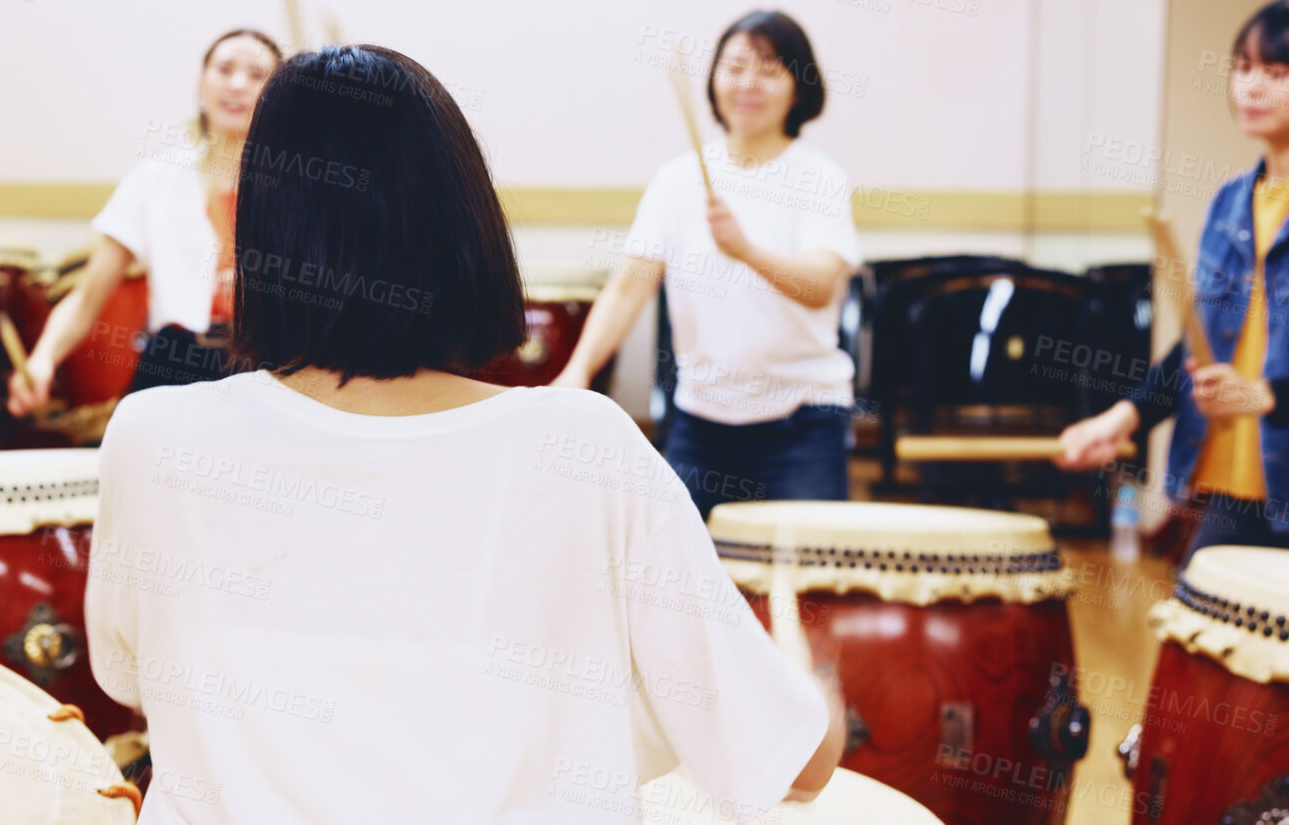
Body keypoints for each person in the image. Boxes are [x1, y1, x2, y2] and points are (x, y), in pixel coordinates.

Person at [86, 46, 842, 824]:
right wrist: (816, 664)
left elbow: (126, 673)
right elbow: (797, 765)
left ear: (261, 231)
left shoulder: (153, 436)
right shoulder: (584, 445)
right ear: (467, 226)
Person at [553, 11, 860, 519]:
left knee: (809, 585)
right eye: (734, 66)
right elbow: (629, 287)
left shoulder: (819, 177)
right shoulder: (676, 180)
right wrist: (578, 369)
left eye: (768, 68)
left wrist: (746, 251)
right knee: (685, 580)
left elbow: (821, 285)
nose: (747, 83)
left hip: (804, 422)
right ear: (714, 79)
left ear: (799, 86)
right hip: (700, 421)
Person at [1058, 0, 1289, 555]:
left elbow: (1254, 387)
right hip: (1230, 491)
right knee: (1196, 635)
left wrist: (1266, 395)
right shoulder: (1232, 201)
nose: (1252, 87)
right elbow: (1199, 345)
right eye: (1243, 67)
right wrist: (1124, 415)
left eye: (1277, 73)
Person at [8, 28, 282, 415]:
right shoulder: (156, 178)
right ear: (201, 83)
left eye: (257, 75)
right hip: (175, 362)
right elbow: (87, 298)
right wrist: (43, 359)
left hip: (266, 368)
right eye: (224, 69)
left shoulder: (296, 187)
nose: (237, 84)